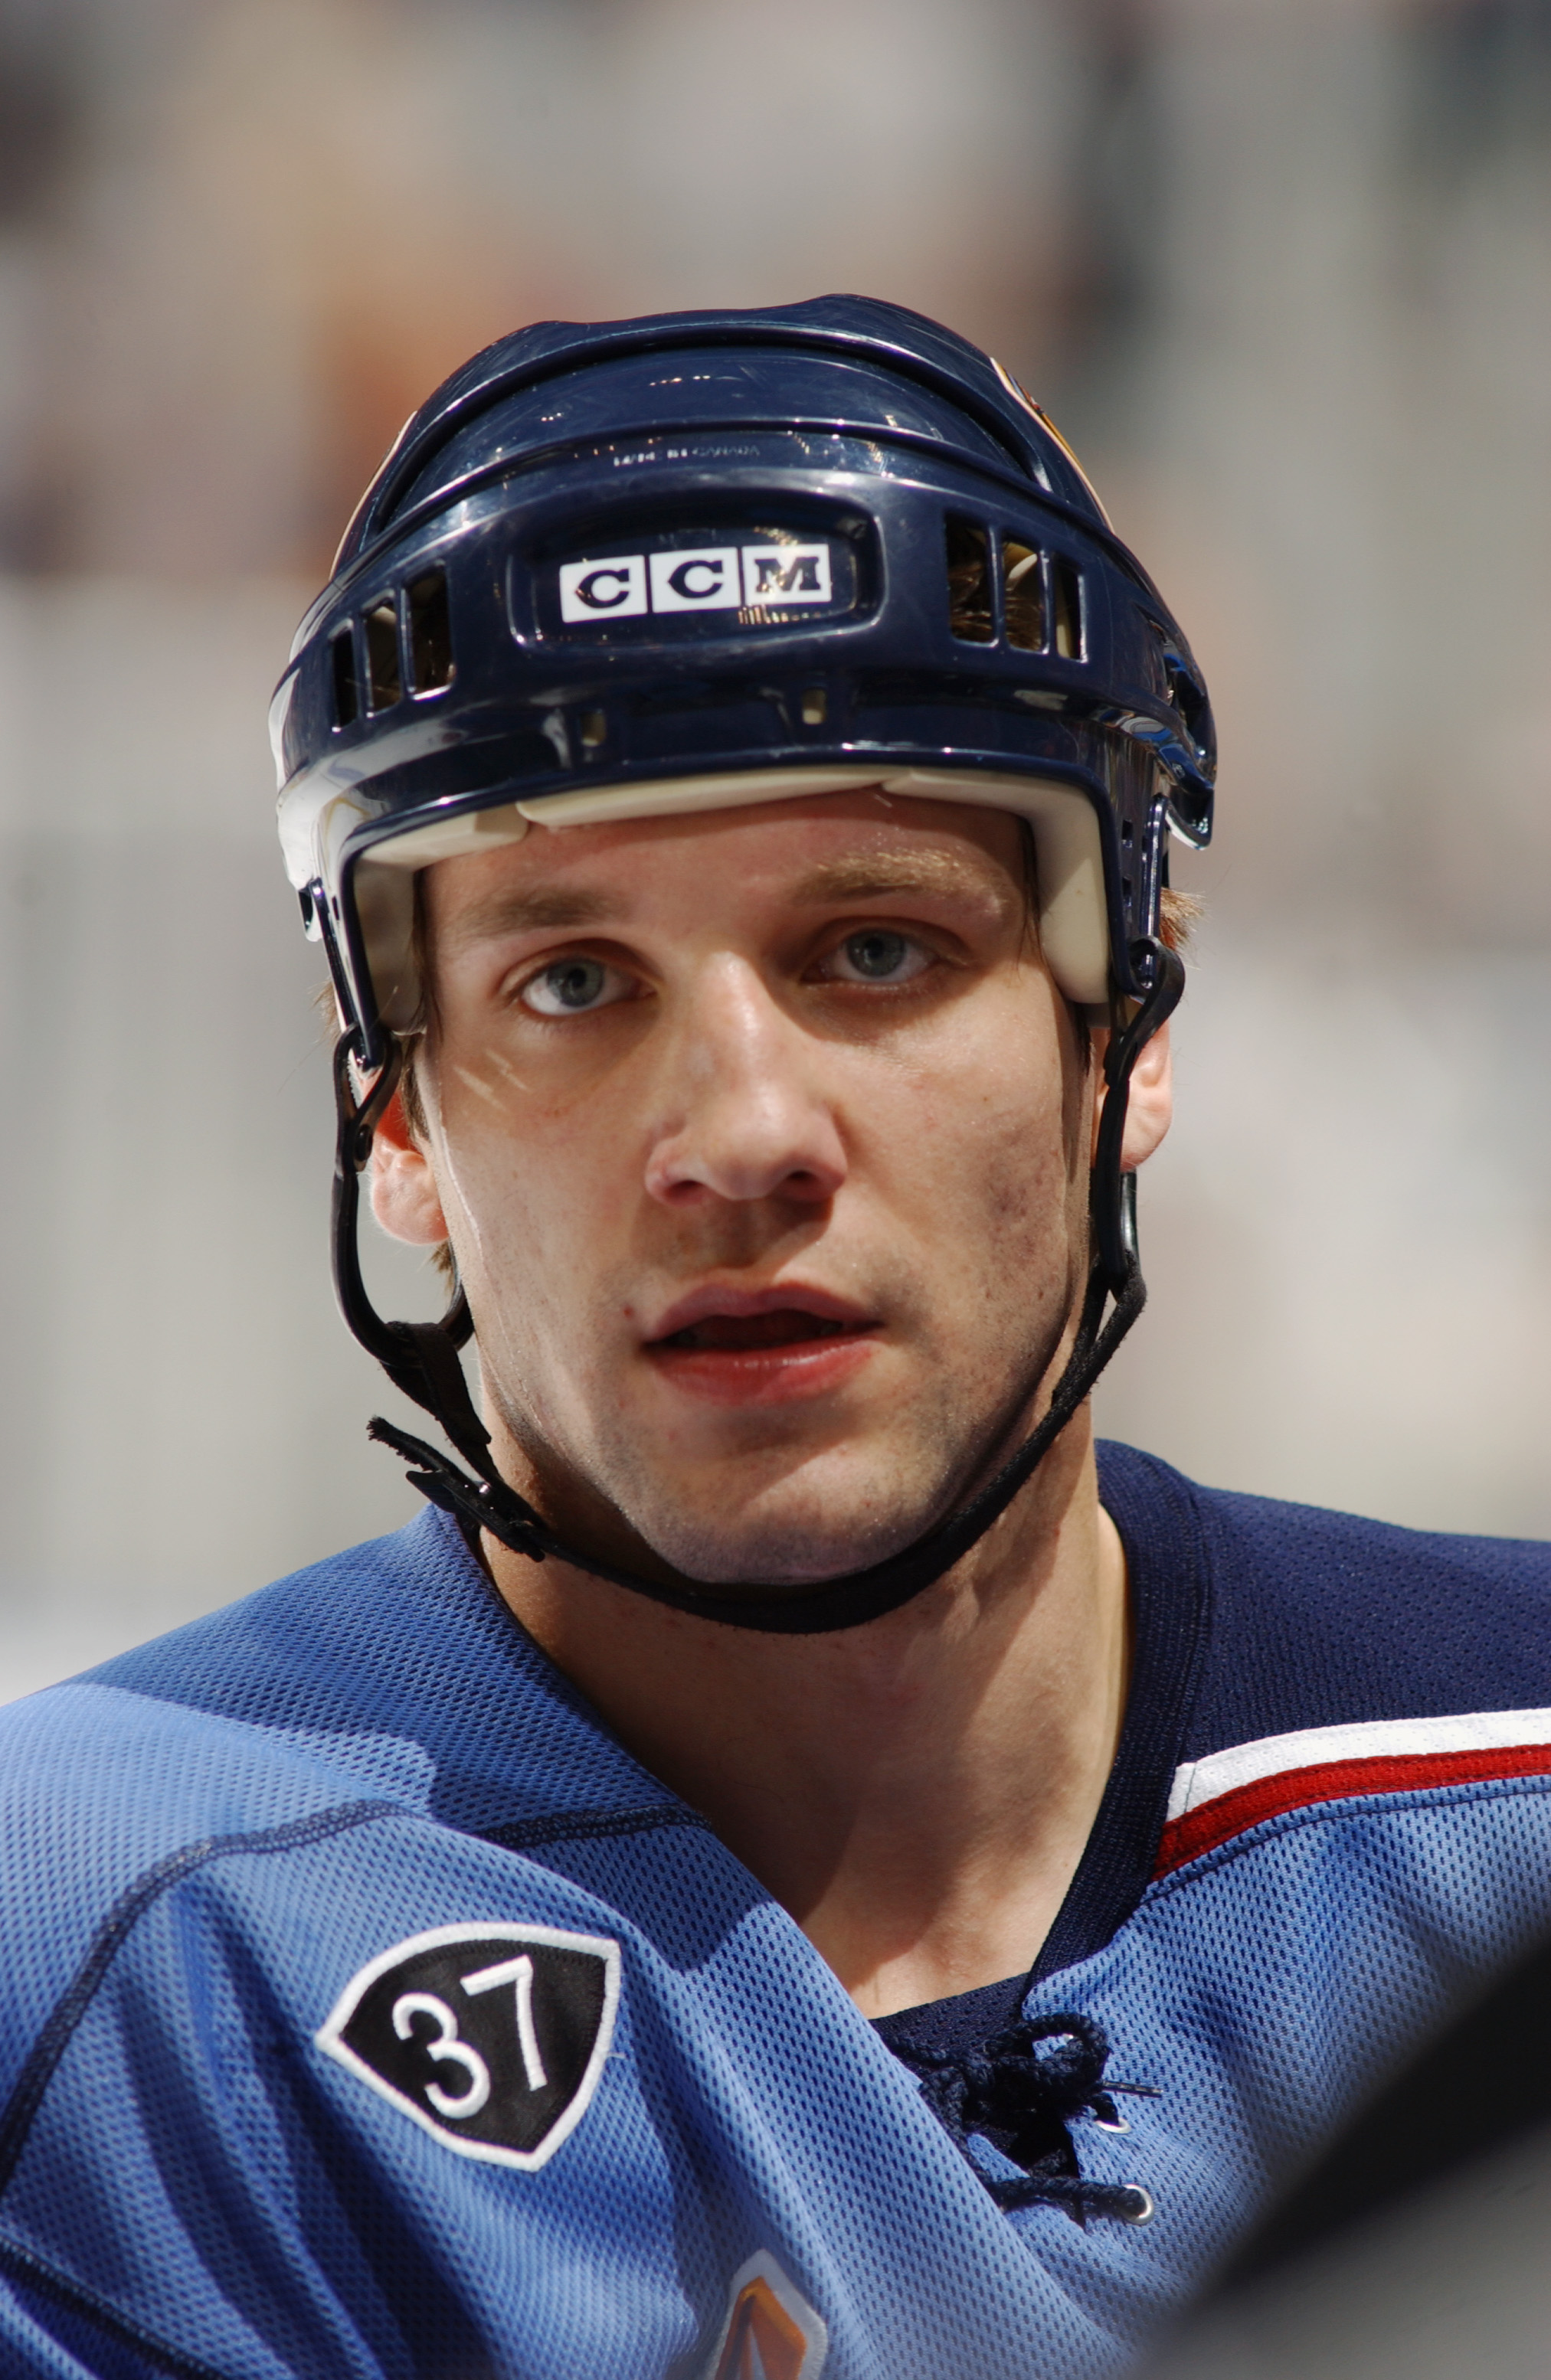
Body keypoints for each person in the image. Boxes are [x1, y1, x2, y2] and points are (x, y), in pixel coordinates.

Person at [0, 296, 1546, 2380]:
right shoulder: (105, 1946)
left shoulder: (1506, 1798)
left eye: (875, 945)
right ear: (396, 1108)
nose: (736, 1134)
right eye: (570, 984)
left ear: (1127, 1026)